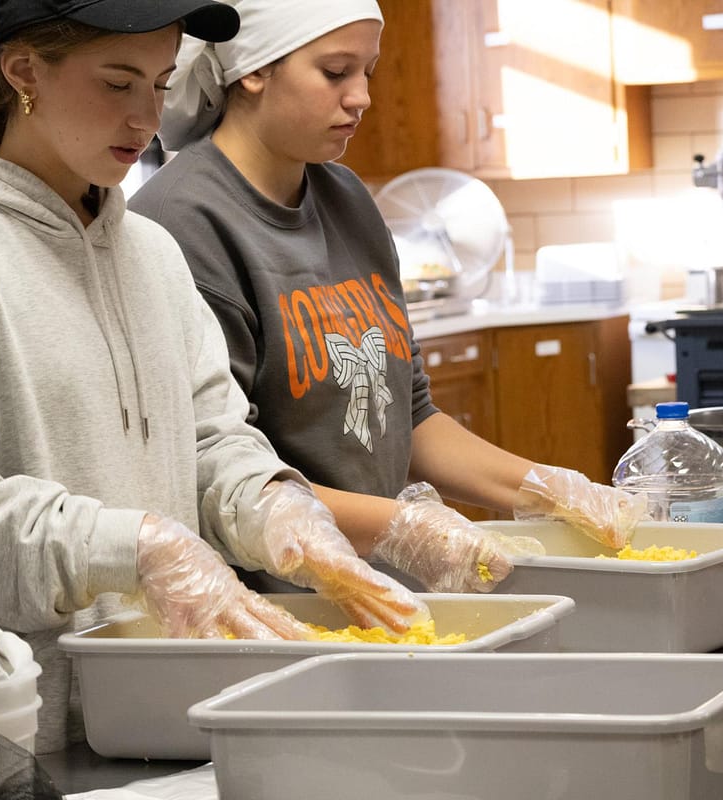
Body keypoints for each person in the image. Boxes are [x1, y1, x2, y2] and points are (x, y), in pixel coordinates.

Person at [0, 0, 427, 753]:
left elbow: (214, 439)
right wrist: (136, 546)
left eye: (159, 85)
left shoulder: (153, 256)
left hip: (161, 715)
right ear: (23, 71)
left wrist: (276, 510)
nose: (146, 119)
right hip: (4, 743)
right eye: (117, 83)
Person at [129, 0, 648, 594]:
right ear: (254, 69)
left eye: (367, 72)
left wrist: (554, 490)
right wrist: (403, 528)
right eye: (335, 72)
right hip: (270, 606)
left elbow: (411, 417)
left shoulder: (347, 199)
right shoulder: (182, 224)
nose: (361, 97)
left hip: (379, 589)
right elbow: (219, 469)